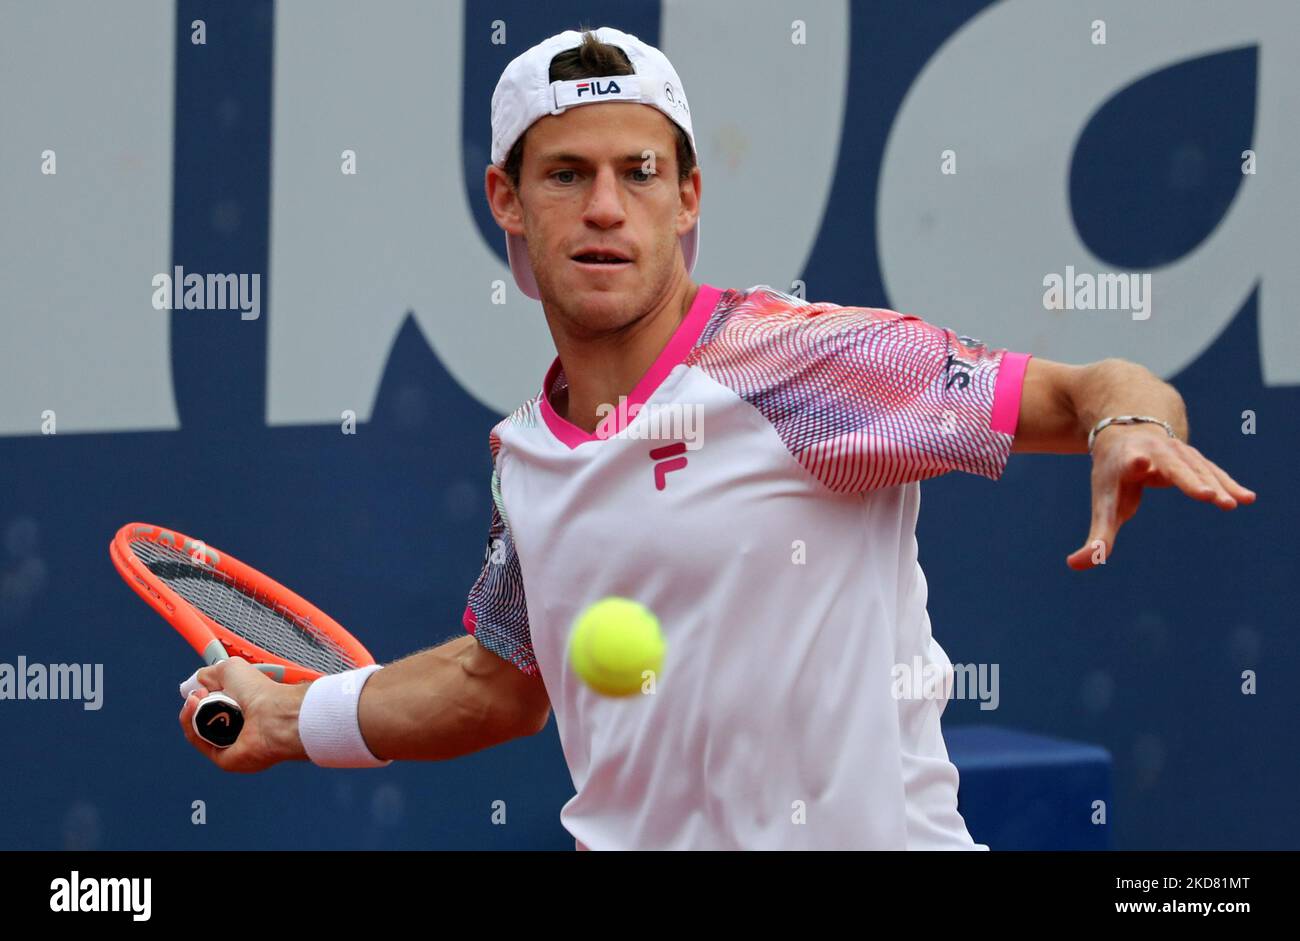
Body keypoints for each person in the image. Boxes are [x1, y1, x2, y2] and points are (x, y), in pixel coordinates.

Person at [180, 26, 1255, 850]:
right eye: (567, 174)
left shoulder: (810, 364)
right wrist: (289, 717)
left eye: (639, 173)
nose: (607, 207)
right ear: (506, 199)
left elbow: (1089, 386)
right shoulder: (530, 458)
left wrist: (1124, 424)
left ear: (686, 195)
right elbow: (499, 679)